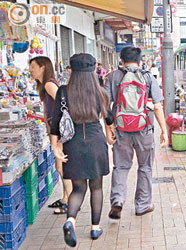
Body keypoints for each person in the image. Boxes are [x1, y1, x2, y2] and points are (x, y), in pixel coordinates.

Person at [50, 53, 114, 247]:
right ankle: (95, 228)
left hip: (73, 143)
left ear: (72, 70)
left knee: (78, 188)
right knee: (96, 187)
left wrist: (55, 147)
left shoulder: (63, 91)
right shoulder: (100, 92)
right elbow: (109, 118)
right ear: (93, 70)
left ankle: (70, 221)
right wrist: (110, 133)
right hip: (95, 141)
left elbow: (56, 122)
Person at [105, 46, 168, 219]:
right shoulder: (147, 77)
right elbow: (157, 106)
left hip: (121, 130)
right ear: (139, 61)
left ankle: (117, 200)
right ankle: (143, 205)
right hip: (144, 128)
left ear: (121, 60)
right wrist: (164, 130)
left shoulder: (113, 76)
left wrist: (108, 128)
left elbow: (105, 106)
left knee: (121, 166)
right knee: (145, 167)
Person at [29, 56, 72, 215]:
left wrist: (55, 127)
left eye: (33, 67)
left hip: (59, 132)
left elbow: (63, 104)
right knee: (60, 166)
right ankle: (65, 199)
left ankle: (71, 200)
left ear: (42, 68)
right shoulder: (44, 85)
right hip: (55, 131)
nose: (30, 71)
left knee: (61, 167)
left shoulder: (49, 84)